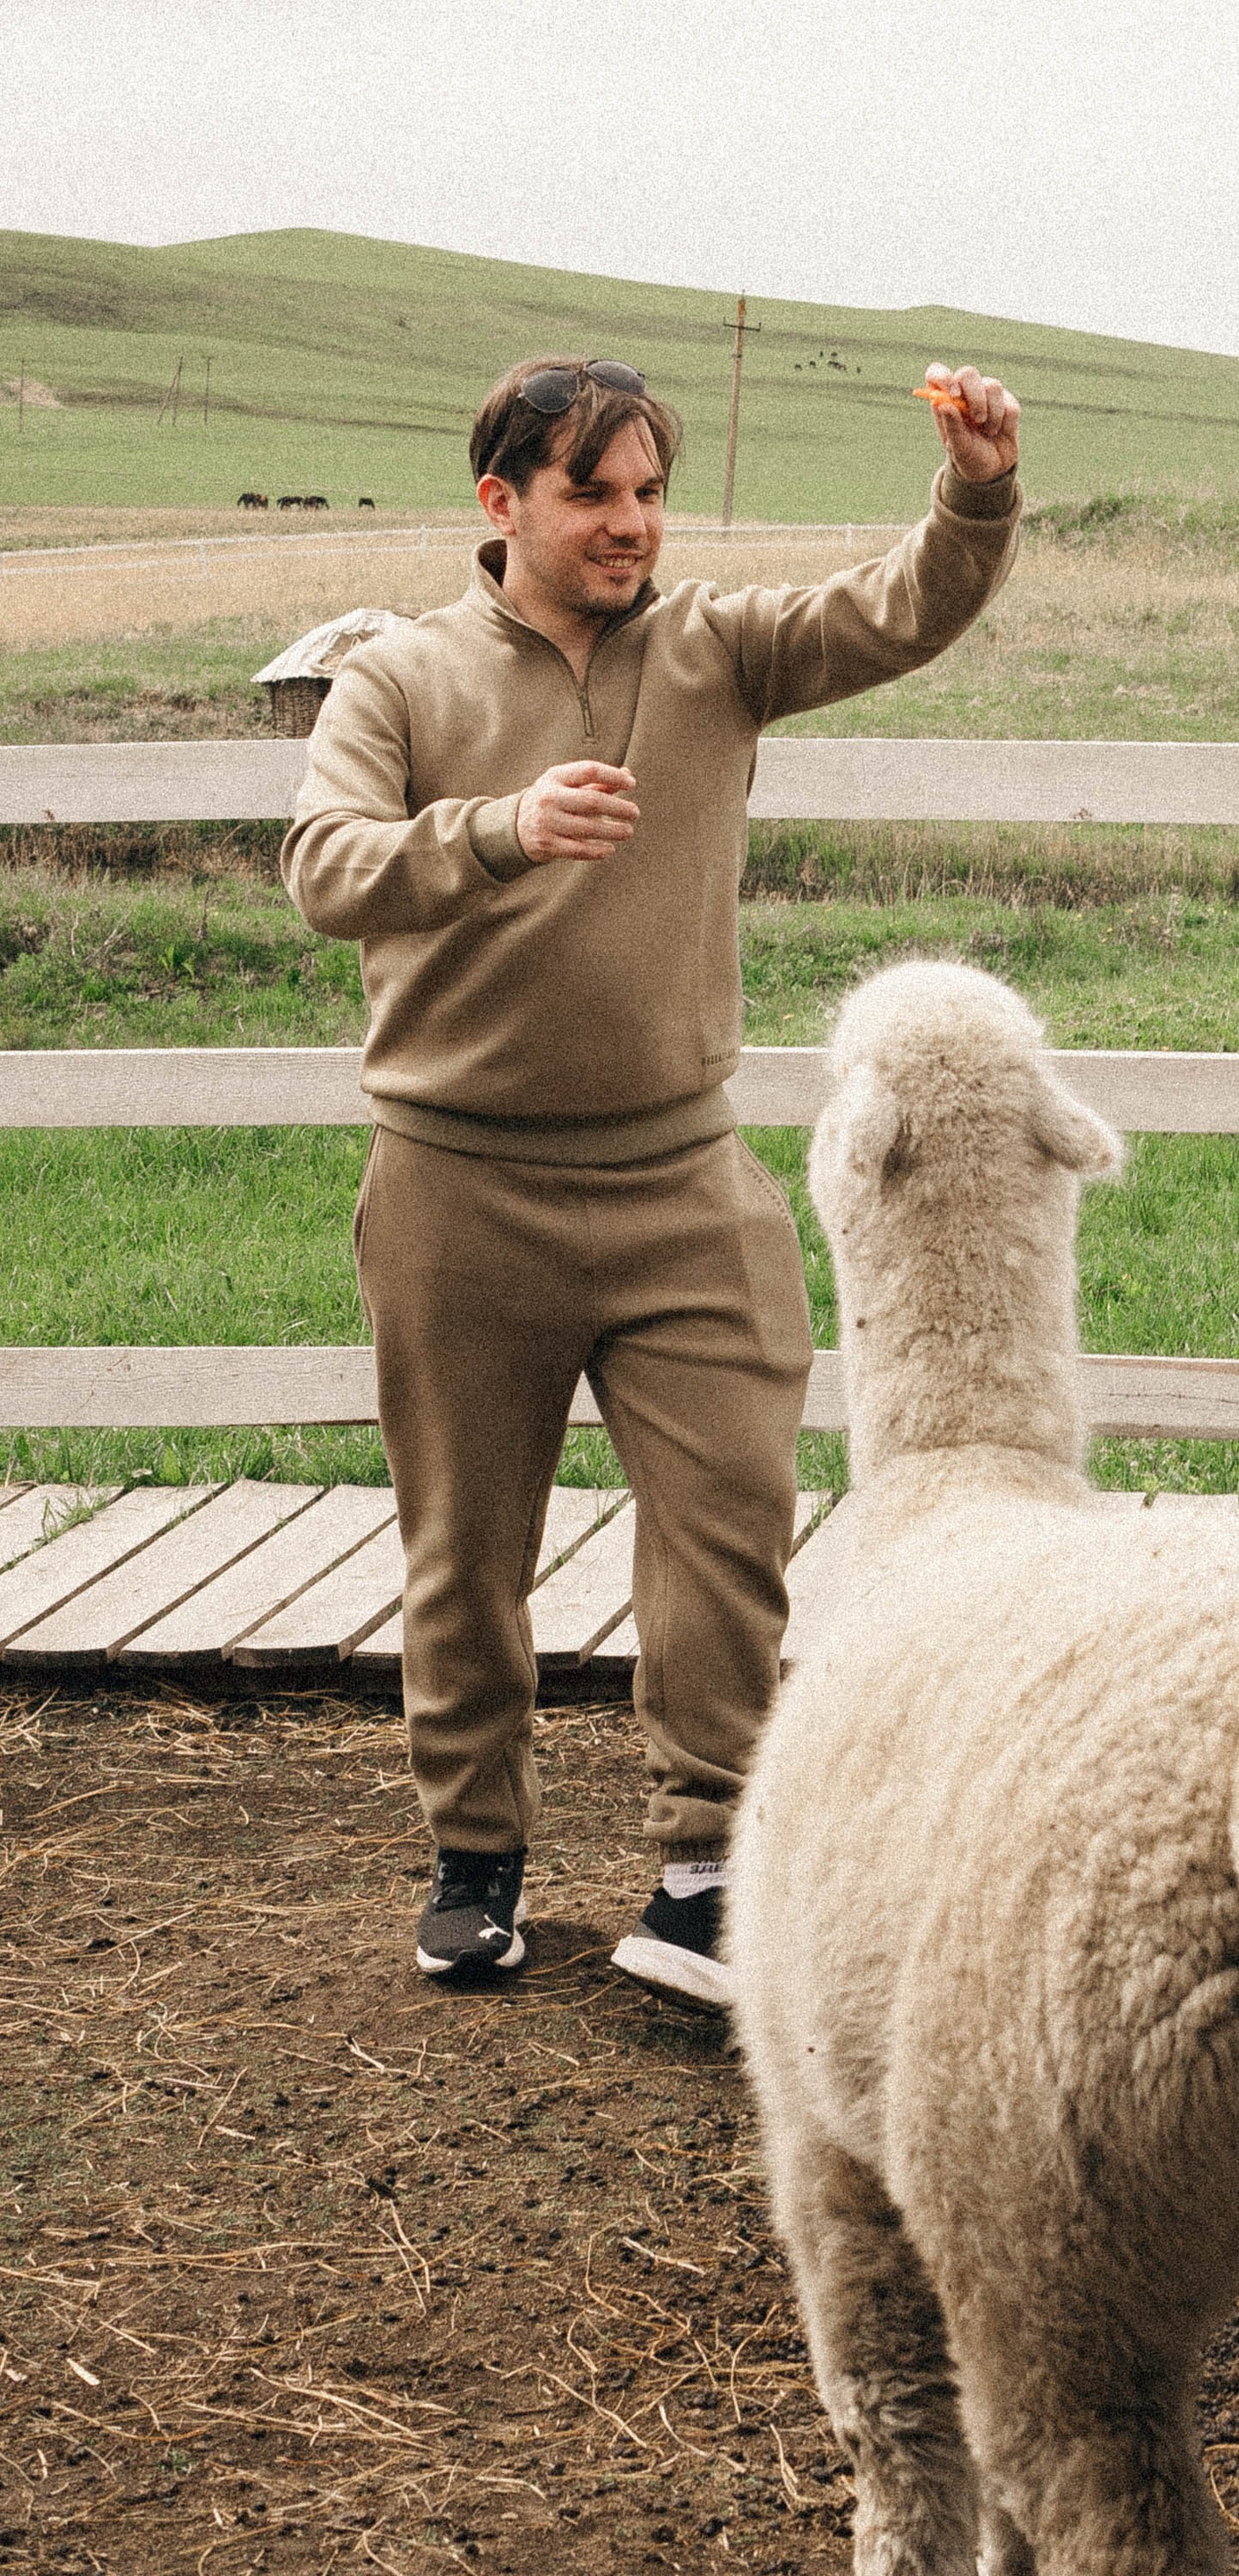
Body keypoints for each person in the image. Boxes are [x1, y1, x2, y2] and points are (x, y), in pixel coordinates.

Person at [281, 352, 1021, 2000]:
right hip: (456, 1189)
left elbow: (903, 609)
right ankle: (476, 1853)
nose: (631, 523)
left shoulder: (719, 650)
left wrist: (974, 494)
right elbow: (326, 870)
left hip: (682, 1183)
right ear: (503, 503)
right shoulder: (396, 680)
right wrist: (500, 828)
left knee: (728, 1533)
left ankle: (707, 1867)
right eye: (593, 493)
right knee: (464, 1550)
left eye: (649, 493)